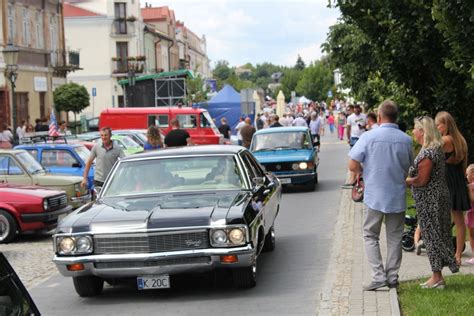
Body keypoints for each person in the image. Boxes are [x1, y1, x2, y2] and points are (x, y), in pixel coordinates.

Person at [348, 100, 412, 291]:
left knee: (370, 235)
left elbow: (352, 165)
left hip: (374, 194)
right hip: (396, 195)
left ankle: (378, 276)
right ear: (396, 117)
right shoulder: (406, 140)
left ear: (379, 116)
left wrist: (366, 171)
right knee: (394, 237)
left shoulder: (368, 137)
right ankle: (392, 277)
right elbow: (409, 167)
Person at [406, 116, 459, 288]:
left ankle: (437, 277)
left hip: (431, 201)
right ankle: (437, 276)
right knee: (436, 235)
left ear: (422, 131)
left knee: (433, 236)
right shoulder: (434, 149)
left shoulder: (428, 152)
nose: (413, 131)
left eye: (415, 128)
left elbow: (422, 180)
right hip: (436, 199)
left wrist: (407, 180)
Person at [435, 111, 470, 266]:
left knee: (442, 219)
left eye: (438, 125)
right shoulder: (461, 140)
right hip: (459, 181)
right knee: (460, 221)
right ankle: (458, 256)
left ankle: (446, 253)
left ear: (446, 124)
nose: (437, 128)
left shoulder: (444, 140)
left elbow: (434, 158)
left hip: (447, 181)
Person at [343, 104, 367, 188]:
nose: (357, 110)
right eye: (355, 109)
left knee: (362, 158)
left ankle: (359, 177)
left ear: (360, 109)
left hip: (363, 137)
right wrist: (348, 138)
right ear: (354, 109)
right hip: (354, 137)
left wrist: (363, 127)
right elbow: (348, 128)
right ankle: (352, 179)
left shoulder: (364, 116)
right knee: (353, 157)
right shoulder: (350, 117)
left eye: (358, 108)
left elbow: (367, 125)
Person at [465, 164, 474, 265]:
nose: (466, 176)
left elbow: (472, 199)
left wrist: (468, 190)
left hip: (472, 213)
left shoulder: (471, 186)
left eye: (467, 174)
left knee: (472, 235)